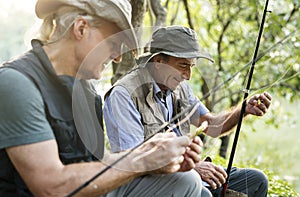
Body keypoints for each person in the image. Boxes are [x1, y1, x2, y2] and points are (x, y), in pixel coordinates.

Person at [0, 1, 205, 196]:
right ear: (81, 28)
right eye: (115, 43)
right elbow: (51, 187)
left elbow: (98, 163)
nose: (117, 57)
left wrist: (160, 160)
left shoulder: (87, 93)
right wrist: (142, 160)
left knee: (186, 181)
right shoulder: (17, 84)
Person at [104, 26, 272, 197]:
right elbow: (136, 160)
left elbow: (211, 125)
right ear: (159, 62)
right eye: (183, 65)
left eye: (191, 66)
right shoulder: (124, 94)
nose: (188, 75)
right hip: (143, 183)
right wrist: (190, 167)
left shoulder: (178, 87)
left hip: (183, 174)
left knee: (257, 181)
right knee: (201, 192)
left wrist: (243, 110)